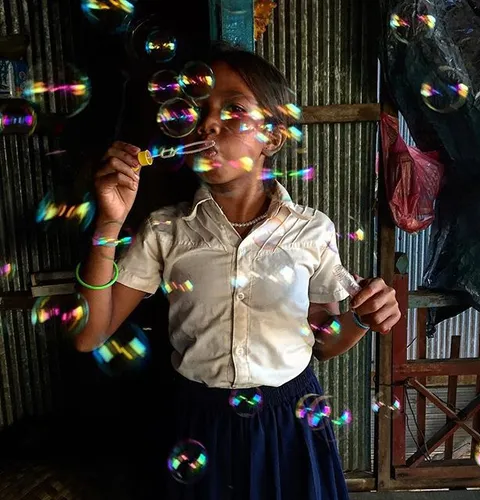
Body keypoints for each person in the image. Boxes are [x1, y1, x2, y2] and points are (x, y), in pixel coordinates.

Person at [75, 43, 401, 500]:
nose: (209, 123)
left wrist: (363, 320)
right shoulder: (166, 231)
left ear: (273, 136)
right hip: (197, 423)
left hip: (290, 420)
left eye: (233, 109)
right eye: (200, 110)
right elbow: (89, 335)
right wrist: (109, 222)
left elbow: (324, 344)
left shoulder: (311, 230)